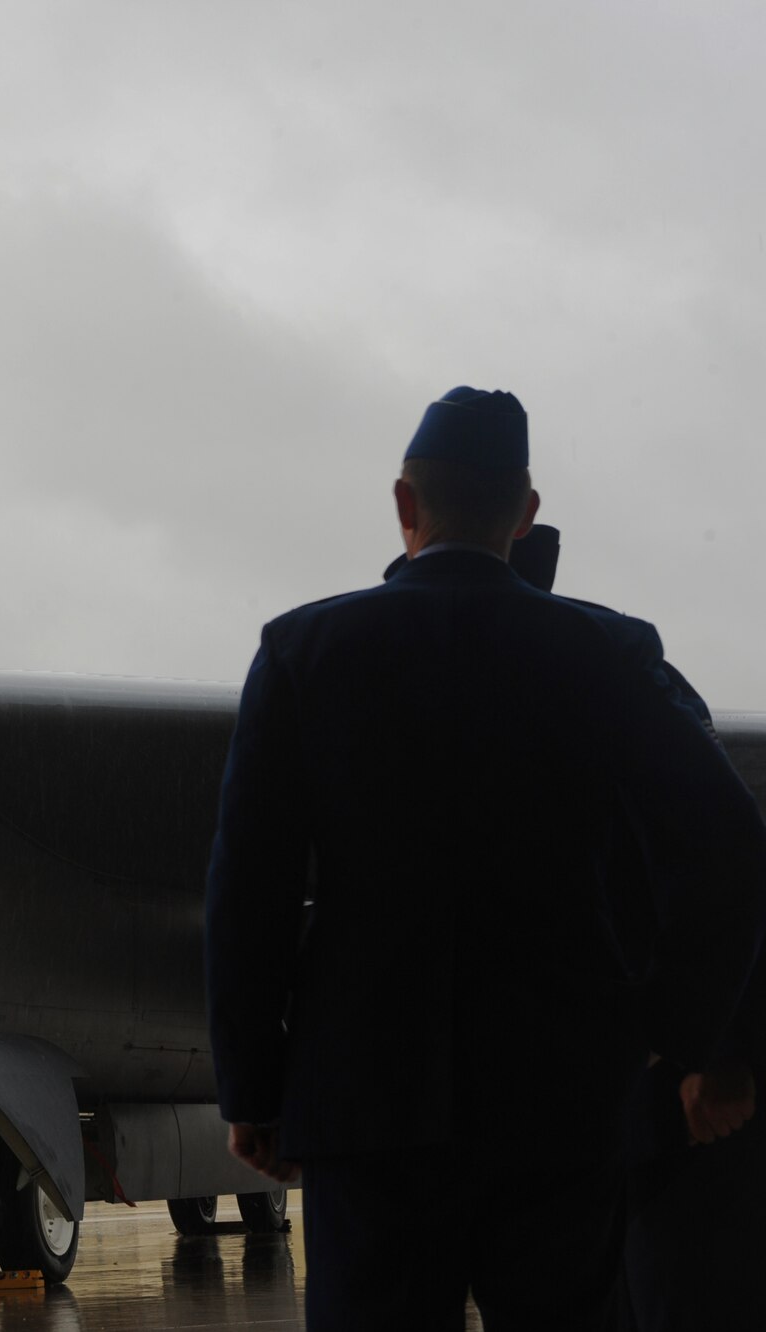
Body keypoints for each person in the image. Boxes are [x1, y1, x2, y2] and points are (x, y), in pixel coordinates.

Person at [203, 386, 766, 1329]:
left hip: (367, 1105)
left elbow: (248, 890)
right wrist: (675, 1033)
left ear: (404, 506)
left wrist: (254, 1087)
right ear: (525, 514)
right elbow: (729, 853)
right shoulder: (607, 654)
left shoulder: (304, 652)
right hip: (564, 1106)